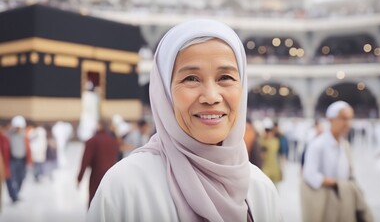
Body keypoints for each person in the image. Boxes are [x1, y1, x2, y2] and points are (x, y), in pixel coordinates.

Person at [87, 19, 284, 221]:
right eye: (191, 78)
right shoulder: (126, 187)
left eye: (225, 77)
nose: (211, 97)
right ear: (164, 92)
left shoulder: (260, 188)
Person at [301, 101, 373, 222]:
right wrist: (337, 183)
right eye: (343, 118)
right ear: (331, 119)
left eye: (350, 119)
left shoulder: (344, 145)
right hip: (326, 202)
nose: (347, 123)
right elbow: (310, 175)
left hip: (345, 200)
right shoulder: (318, 144)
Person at [77, 119, 119, 208]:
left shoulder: (92, 141)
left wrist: (79, 178)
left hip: (97, 175)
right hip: (112, 176)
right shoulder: (113, 141)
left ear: (99, 125)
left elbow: (85, 161)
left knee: (94, 202)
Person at [6, 115, 32, 203]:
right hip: (12, 160)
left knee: (21, 177)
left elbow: (28, 148)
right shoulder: (9, 135)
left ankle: (17, 192)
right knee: (13, 178)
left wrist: (29, 160)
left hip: (22, 160)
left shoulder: (24, 135)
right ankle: (14, 195)